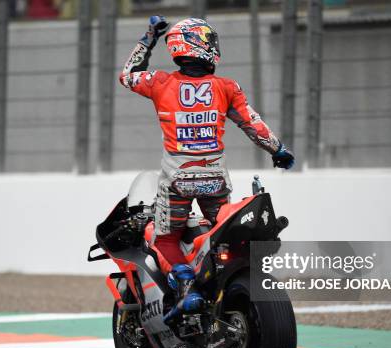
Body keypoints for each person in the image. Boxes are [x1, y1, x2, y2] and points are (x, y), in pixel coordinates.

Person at [119, 16, 294, 321]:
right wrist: (278, 150)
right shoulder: (227, 87)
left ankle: (187, 283)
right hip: (216, 182)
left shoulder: (159, 83)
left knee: (165, 240)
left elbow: (128, 74)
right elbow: (253, 125)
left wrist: (148, 37)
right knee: (221, 236)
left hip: (177, 182)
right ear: (201, 46)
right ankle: (223, 286)